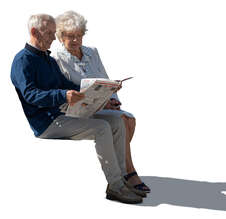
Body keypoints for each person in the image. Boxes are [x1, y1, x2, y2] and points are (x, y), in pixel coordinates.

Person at [10, 13, 143, 204]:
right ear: (34, 32)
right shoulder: (23, 61)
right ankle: (115, 186)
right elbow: (30, 95)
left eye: (53, 33)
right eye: (49, 33)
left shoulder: (46, 58)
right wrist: (63, 96)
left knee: (116, 122)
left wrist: (102, 95)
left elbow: (65, 84)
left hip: (62, 114)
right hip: (47, 122)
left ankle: (123, 178)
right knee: (101, 127)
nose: (52, 38)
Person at [53, 11, 150, 193]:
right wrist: (101, 101)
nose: (75, 40)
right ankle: (128, 173)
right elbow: (69, 90)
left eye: (79, 36)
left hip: (99, 105)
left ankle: (123, 172)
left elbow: (104, 78)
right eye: (70, 36)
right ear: (60, 37)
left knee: (129, 119)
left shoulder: (92, 52)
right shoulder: (56, 59)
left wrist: (112, 96)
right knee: (122, 121)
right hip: (77, 110)